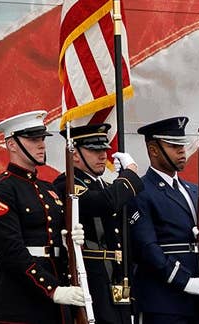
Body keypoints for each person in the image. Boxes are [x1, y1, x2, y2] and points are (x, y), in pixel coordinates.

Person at [0, 110, 86, 324]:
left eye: (42, 138)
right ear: (12, 144)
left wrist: (71, 238)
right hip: (19, 304)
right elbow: (11, 251)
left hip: (56, 303)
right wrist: (52, 289)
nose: (42, 144)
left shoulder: (48, 189)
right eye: (33, 139)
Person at [128, 116, 199, 324]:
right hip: (165, 300)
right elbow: (147, 248)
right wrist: (185, 281)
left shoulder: (194, 190)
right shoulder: (141, 190)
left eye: (182, 145)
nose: (182, 151)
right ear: (154, 150)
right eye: (173, 146)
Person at [53, 123, 144, 324]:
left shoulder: (107, 186)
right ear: (74, 154)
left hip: (118, 276)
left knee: (123, 320)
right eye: (94, 150)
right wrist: (129, 175)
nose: (103, 155)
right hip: (94, 279)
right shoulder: (67, 184)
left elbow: (129, 218)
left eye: (104, 149)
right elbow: (102, 203)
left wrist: (122, 183)